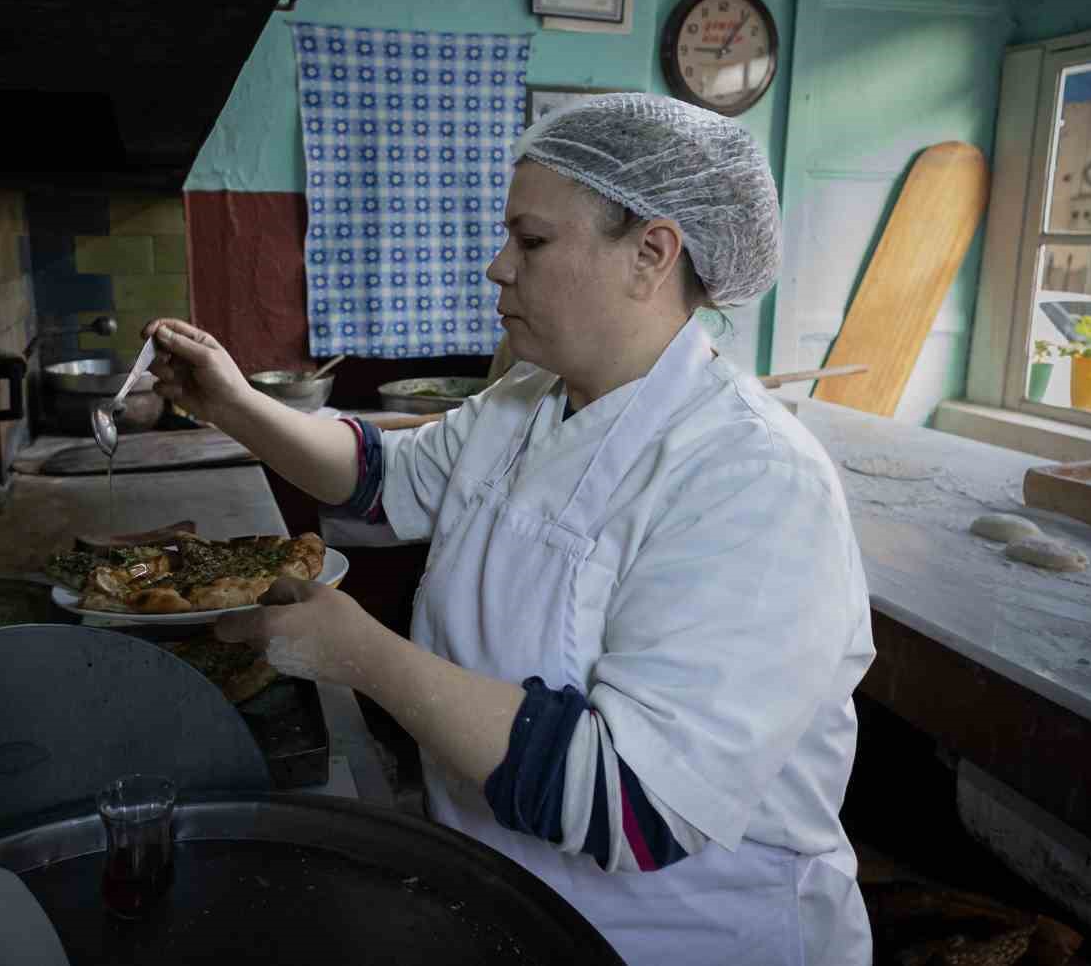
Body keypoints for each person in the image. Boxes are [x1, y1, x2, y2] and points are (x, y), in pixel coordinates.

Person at [144, 93, 874, 965]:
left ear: (651, 254)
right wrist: (234, 402)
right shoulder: (532, 398)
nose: (498, 266)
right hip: (508, 897)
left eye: (531, 242)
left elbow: (631, 803)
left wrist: (361, 656)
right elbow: (381, 482)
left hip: (676, 937)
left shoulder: (752, 480)